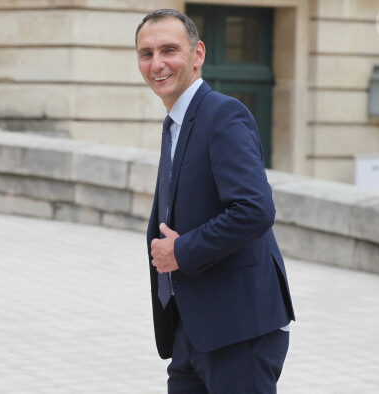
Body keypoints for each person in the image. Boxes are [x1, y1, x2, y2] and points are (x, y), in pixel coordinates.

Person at [136, 9, 296, 393]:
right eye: (146, 53)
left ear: (198, 54)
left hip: (239, 332)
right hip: (193, 329)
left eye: (169, 50)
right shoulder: (175, 121)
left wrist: (182, 251)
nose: (157, 63)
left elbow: (255, 209)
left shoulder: (222, 114)